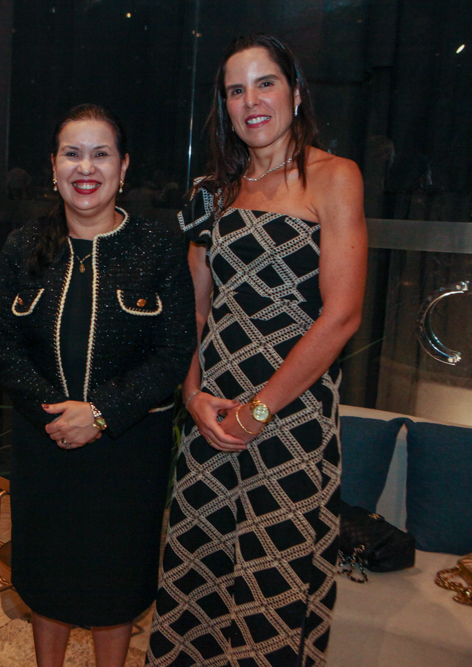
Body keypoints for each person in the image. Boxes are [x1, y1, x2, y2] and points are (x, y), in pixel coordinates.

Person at [148, 34, 366, 667]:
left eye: (264, 83)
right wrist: (193, 398)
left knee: (271, 595)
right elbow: (194, 308)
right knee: (198, 585)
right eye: (235, 90)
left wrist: (259, 412)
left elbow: (342, 315)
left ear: (295, 94)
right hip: (212, 420)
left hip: (290, 427)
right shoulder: (209, 192)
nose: (252, 101)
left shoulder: (334, 177)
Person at [0, 104, 196, 667]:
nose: (87, 167)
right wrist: (54, 415)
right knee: (46, 575)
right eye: (72, 153)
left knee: (117, 583)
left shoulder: (157, 246)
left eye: (101, 154)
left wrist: (101, 412)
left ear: (123, 167)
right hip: (44, 441)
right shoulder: (22, 246)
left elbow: (174, 352)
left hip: (128, 449)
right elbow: (3, 345)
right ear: (53, 166)